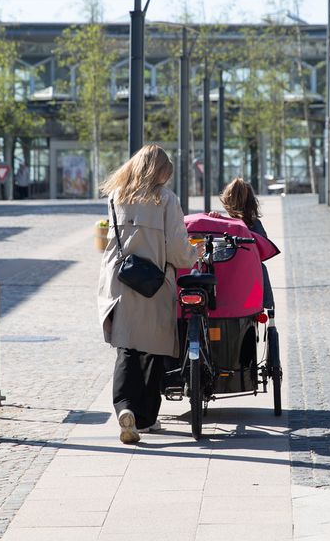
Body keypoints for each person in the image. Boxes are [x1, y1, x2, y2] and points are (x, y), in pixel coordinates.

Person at [97, 145, 198, 444]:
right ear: (160, 171)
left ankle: (124, 408)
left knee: (126, 347)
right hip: (154, 281)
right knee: (153, 349)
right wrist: (194, 255)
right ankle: (146, 418)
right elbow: (177, 249)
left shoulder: (116, 196)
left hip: (121, 279)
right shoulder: (166, 199)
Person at [219, 177, 274, 313]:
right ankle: (265, 308)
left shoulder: (222, 224)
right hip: (251, 275)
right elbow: (264, 249)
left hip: (227, 275)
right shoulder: (254, 224)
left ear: (227, 201)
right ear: (252, 202)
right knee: (261, 269)